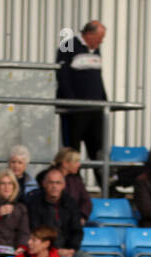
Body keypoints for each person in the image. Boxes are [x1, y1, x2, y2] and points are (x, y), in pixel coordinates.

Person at [56, 20, 107, 161]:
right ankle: (73, 181)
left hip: (95, 110)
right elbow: (62, 76)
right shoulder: (68, 45)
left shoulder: (95, 49)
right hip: (76, 111)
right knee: (72, 151)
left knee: (98, 150)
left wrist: (104, 101)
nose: (101, 42)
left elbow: (97, 78)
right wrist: (72, 103)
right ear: (89, 34)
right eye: (99, 38)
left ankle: (104, 180)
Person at [25, 167, 83, 257]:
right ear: (44, 184)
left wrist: (71, 249)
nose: (54, 186)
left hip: (67, 250)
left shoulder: (71, 203)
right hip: (43, 250)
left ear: (63, 185)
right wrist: (54, 251)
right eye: (51, 182)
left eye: (58, 183)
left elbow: (77, 230)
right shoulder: (34, 203)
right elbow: (35, 230)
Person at [50, 148, 92, 224]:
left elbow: (86, 200)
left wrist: (82, 216)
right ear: (65, 163)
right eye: (76, 162)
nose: (79, 164)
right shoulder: (47, 177)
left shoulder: (76, 180)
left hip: (73, 222)